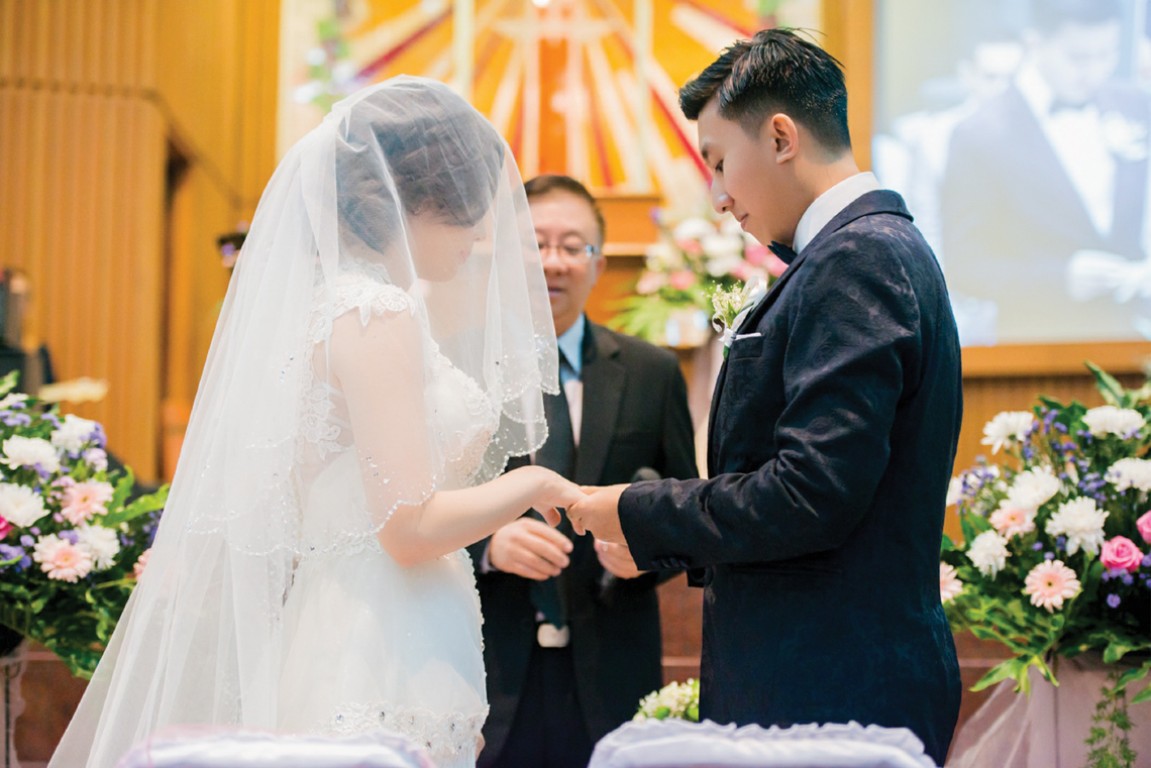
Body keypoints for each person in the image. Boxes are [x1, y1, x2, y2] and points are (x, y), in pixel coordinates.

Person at [49, 76, 583, 768]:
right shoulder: (375, 314)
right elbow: (409, 527)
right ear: (416, 201)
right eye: (467, 209)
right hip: (379, 641)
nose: (481, 232)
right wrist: (534, 484)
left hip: (376, 624)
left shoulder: (343, 307)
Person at [567, 28, 964, 766]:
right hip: (828, 674)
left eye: (719, 162)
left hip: (832, 686)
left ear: (780, 137)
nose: (718, 196)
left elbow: (811, 492)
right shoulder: (858, 251)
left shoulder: (856, 258)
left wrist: (636, 508)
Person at [468, 175, 698, 768]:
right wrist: (488, 545)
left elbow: (688, 510)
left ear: (598, 264)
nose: (554, 262)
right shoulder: (459, 371)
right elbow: (408, 507)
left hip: (612, 669)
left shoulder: (650, 373)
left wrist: (647, 549)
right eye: (536, 244)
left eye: (573, 246)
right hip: (487, 670)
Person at [940, 0, 1151, 342]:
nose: (1095, 71)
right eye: (1078, 58)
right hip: (1037, 342)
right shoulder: (980, 134)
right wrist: (1060, 279)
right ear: (1035, 43)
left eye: (1107, 54)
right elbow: (966, 265)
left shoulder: (1134, 106)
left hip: (1129, 336)